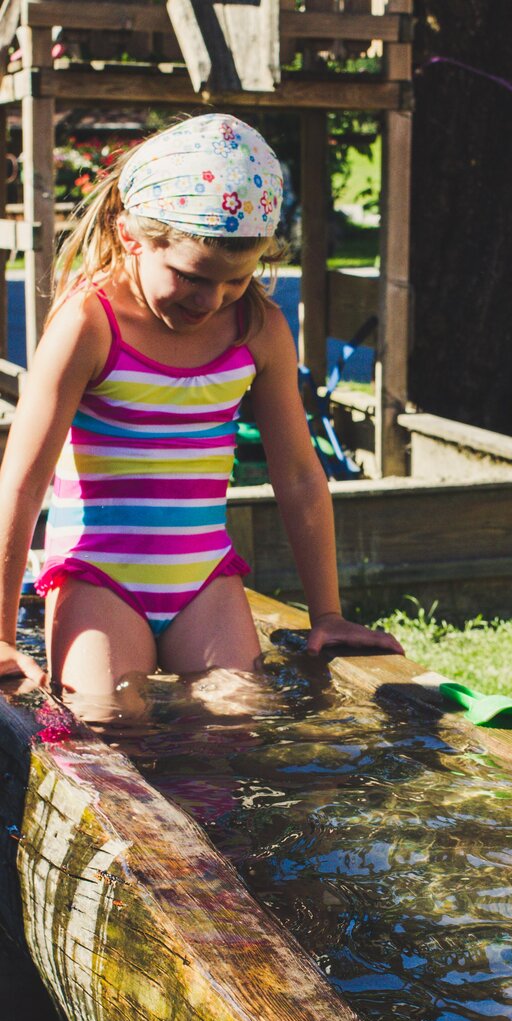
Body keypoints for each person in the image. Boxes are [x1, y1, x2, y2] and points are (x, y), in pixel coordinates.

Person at [0, 113, 401, 698]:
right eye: (191, 276)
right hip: (99, 575)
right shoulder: (90, 324)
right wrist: (3, 635)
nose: (211, 301)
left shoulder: (258, 329)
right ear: (132, 235)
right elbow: (24, 478)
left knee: (239, 723)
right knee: (108, 724)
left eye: (235, 281)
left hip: (203, 577)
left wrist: (328, 614)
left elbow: (296, 473)